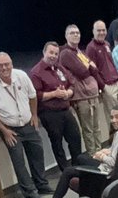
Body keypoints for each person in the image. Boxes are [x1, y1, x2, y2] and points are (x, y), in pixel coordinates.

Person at [32, 106, 118, 198]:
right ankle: (80, 174)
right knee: (81, 158)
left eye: (117, 117)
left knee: (68, 172)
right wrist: (108, 150)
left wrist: (102, 157)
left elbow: (113, 162)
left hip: (107, 172)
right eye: (112, 117)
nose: (113, 120)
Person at [0, 52, 48, 198]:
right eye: (1, 65)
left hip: (28, 123)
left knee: (37, 155)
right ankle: (30, 193)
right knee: (19, 162)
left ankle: (42, 185)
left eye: (7, 64)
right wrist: (5, 131)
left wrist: (34, 116)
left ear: (12, 64)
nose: (5, 68)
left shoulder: (21, 76)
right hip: (10, 130)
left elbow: (32, 96)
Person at [30, 41, 86, 174]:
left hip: (65, 109)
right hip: (49, 113)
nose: (53, 56)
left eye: (56, 53)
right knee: (57, 143)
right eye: (51, 52)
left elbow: (71, 84)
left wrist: (68, 93)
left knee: (75, 138)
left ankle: (78, 167)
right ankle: (66, 171)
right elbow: (35, 96)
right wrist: (54, 94)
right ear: (44, 52)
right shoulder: (36, 72)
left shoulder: (60, 68)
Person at [59, 24, 104, 154]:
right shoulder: (66, 53)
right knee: (88, 130)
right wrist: (90, 66)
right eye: (72, 33)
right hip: (82, 97)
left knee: (97, 128)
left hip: (92, 95)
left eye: (78, 32)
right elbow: (83, 71)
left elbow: (94, 68)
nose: (76, 35)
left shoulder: (79, 52)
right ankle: (93, 155)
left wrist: (91, 67)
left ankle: (100, 152)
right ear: (66, 36)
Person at [86, 20, 118, 142]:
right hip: (107, 86)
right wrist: (103, 86)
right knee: (114, 117)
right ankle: (116, 142)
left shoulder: (107, 44)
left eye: (103, 30)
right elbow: (93, 70)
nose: (101, 32)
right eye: (99, 30)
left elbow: (111, 63)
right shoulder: (91, 48)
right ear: (93, 31)